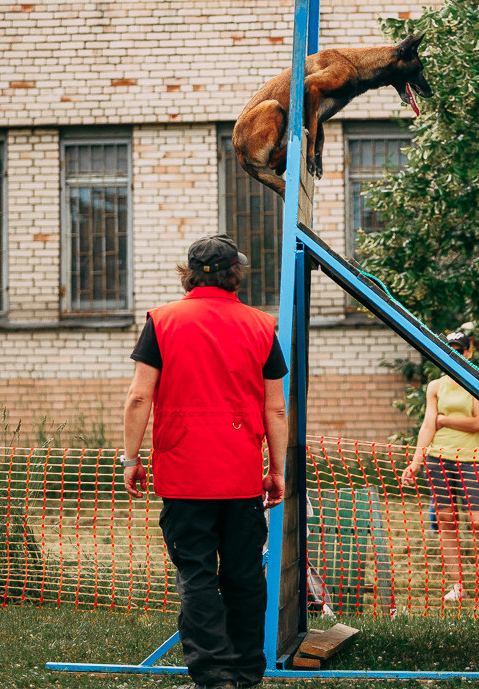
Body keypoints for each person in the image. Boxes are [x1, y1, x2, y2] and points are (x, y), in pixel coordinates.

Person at [122, 234, 289, 689]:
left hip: (184, 473)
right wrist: (276, 469)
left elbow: (140, 396)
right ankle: (247, 672)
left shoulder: (163, 321)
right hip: (239, 474)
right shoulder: (261, 326)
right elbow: (275, 407)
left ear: (189, 273)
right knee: (243, 575)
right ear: (237, 272)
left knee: (196, 573)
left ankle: (213, 676)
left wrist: (131, 458)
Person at [401, 329, 479, 605]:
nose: (455, 354)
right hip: (437, 458)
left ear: (469, 352)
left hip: (469, 459)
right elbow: (428, 425)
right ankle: (458, 585)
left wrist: (444, 420)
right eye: (450, 349)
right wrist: (416, 461)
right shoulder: (435, 386)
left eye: (460, 349)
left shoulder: (478, 384)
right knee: (445, 521)